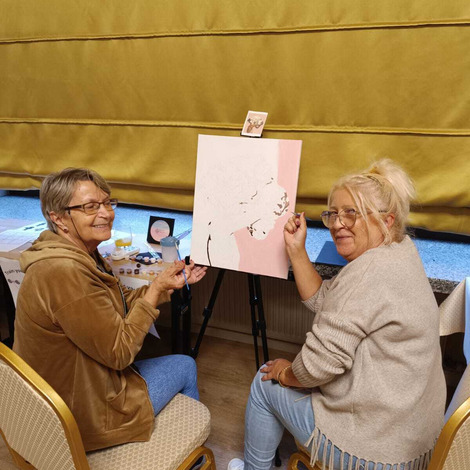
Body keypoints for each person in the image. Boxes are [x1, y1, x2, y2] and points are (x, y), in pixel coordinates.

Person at [228, 159, 446, 470]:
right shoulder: (400, 252)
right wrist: (296, 250)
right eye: (333, 214)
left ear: (386, 221)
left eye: (351, 213)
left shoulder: (367, 273)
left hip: (376, 451)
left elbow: (315, 367)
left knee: (265, 382)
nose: (337, 224)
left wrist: (285, 373)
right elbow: (326, 301)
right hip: (412, 439)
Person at [13, 167, 207, 451]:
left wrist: (164, 286)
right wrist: (154, 290)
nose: (106, 213)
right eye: (90, 206)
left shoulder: (79, 253)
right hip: (76, 414)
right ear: (59, 218)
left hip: (77, 388)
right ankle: (180, 454)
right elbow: (119, 353)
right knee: (185, 366)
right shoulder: (63, 272)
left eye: (107, 202)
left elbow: (121, 302)